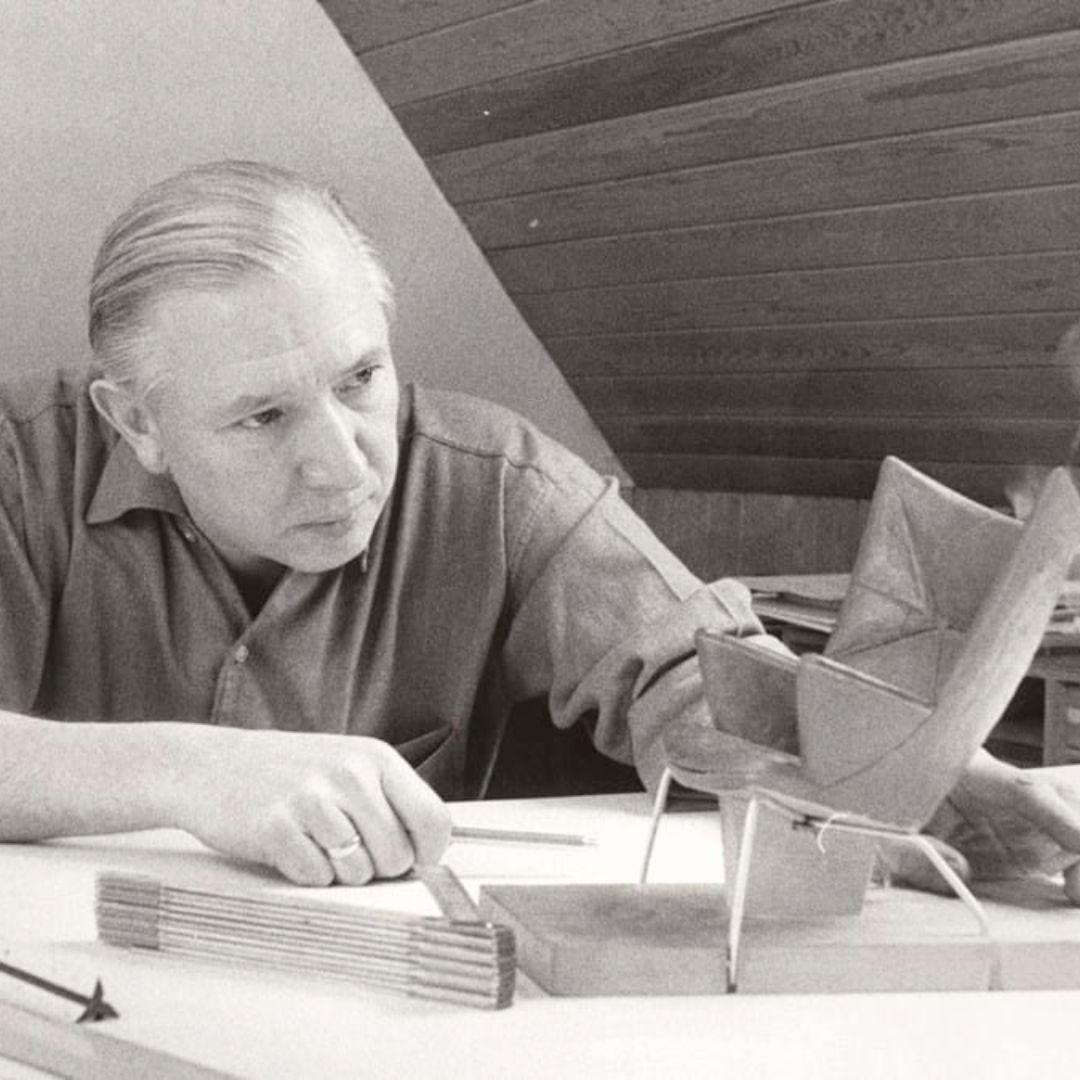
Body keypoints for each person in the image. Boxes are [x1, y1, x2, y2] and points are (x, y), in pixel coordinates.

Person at [0, 161, 1078, 903]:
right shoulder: (17, 468)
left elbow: (700, 676)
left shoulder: (499, 483)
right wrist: (193, 772)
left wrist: (903, 767)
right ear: (133, 421)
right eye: (263, 416)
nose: (343, 462)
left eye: (361, 379)